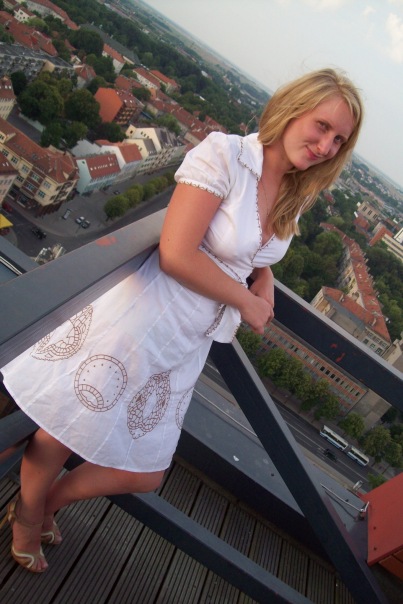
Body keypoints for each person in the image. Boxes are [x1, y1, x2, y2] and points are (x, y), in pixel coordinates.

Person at [0, 68, 363, 572]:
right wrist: (246, 301)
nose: (326, 145)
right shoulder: (226, 155)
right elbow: (175, 253)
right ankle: (28, 514)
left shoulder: (295, 190)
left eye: (339, 140)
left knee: (145, 472)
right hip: (146, 318)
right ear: (292, 109)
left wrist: (264, 276)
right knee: (65, 427)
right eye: (322, 126)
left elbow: (249, 240)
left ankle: (48, 504)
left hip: (188, 343)